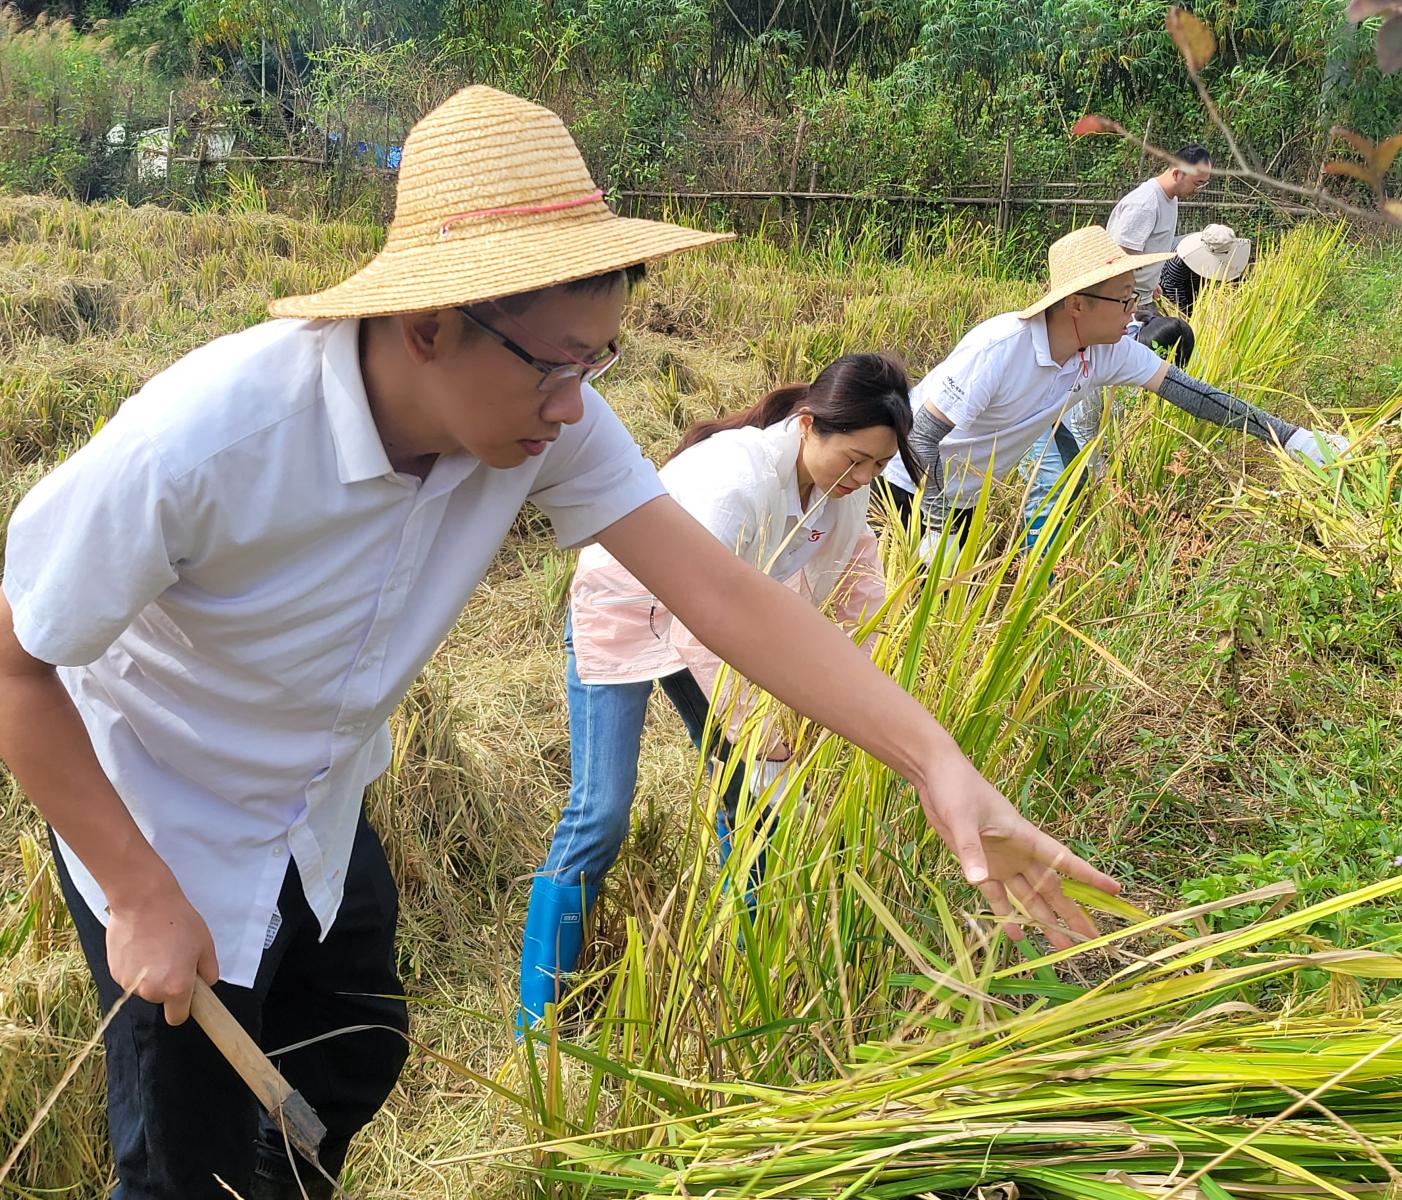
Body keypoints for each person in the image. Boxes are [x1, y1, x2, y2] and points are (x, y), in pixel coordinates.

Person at [0, 87, 1115, 1199]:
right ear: (430, 324)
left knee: (354, 1046)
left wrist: (937, 762)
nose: (576, 406)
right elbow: (16, 663)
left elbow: (722, 594)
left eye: (601, 362)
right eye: (554, 363)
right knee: (187, 1167)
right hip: (158, 803)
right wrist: (138, 890)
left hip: (317, 789)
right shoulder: (205, 442)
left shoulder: (540, 422)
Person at [520, 353, 920, 1028]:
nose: (862, 479)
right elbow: (698, 624)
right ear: (806, 425)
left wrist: (875, 693)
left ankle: (751, 967)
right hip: (624, 612)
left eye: (878, 467)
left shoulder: (840, 497)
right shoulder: (733, 482)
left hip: (708, 621)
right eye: (853, 460)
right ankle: (538, 1017)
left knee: (752, 801)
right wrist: (757, 725)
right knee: (601, 811)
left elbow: (858, 594)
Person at [875, 226, 1347, 560]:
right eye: (1124, 299)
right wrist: (935, 527)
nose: (1133, 310)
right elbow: (919, 440)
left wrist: (1293, 439)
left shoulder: (1106, 350)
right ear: (1077, 304)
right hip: (901, 483)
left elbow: (1197, 396)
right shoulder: (1001, 349)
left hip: (962, 495)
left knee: (940, 607)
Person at [1106, 143, 1213, 310]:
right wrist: (1125, 306)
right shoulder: (1145, 204)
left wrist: (1151, 283)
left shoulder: (1171, 199)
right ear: (1177, 174)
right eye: (1197, 183)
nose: (1199, 190)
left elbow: (1149, 249)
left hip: (1143, 296)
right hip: (1126, 302)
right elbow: (1118, 258)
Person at [1159, 223, 1252, 317]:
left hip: (1197, 284)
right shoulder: (1179, 258)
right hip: (1171, 286)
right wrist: (1186, 314)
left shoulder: (1223, 245)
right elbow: (1174, 289)